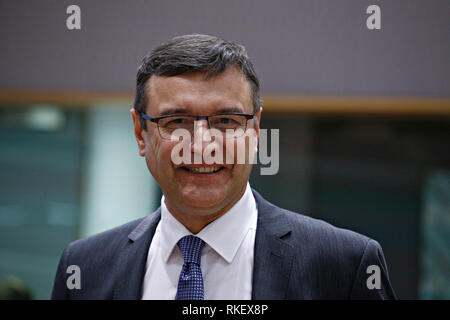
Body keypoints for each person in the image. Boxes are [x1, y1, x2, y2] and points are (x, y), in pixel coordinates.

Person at [51, 34, 396, 300]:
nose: (203, 145)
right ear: (141, 133)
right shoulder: (85, 269)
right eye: (177, 121)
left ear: (255, 129)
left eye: (226, 120)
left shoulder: (344, 266)